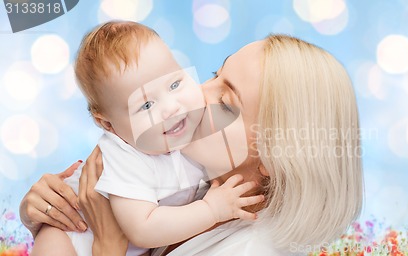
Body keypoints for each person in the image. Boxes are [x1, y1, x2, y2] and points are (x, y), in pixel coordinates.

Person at [20, 34, 364, 255]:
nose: (196, 96)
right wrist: (52, 212)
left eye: (226, 103)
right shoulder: (192, 183)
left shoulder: (250, 249)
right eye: (214, 74)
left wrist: (108, 247)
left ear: (273, 159)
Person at [27, 21, 264, 256]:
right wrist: (211, 209)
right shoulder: (124, 156)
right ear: (108, 124)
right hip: (70, 234)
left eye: (174, 84)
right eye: (147, 105)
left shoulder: (188, 142)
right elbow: (144, 228)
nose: (172, 108)